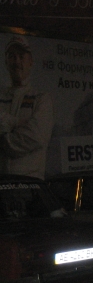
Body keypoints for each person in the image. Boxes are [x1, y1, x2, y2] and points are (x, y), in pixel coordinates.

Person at [0, 36, 54, 179]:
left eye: (21, 56)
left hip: (30, 185)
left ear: (30, 61)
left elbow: (35, 136)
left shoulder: (42, 99)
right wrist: (18, 125)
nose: (17, 61)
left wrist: (3, 140)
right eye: (12, 56)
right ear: (6, 62)